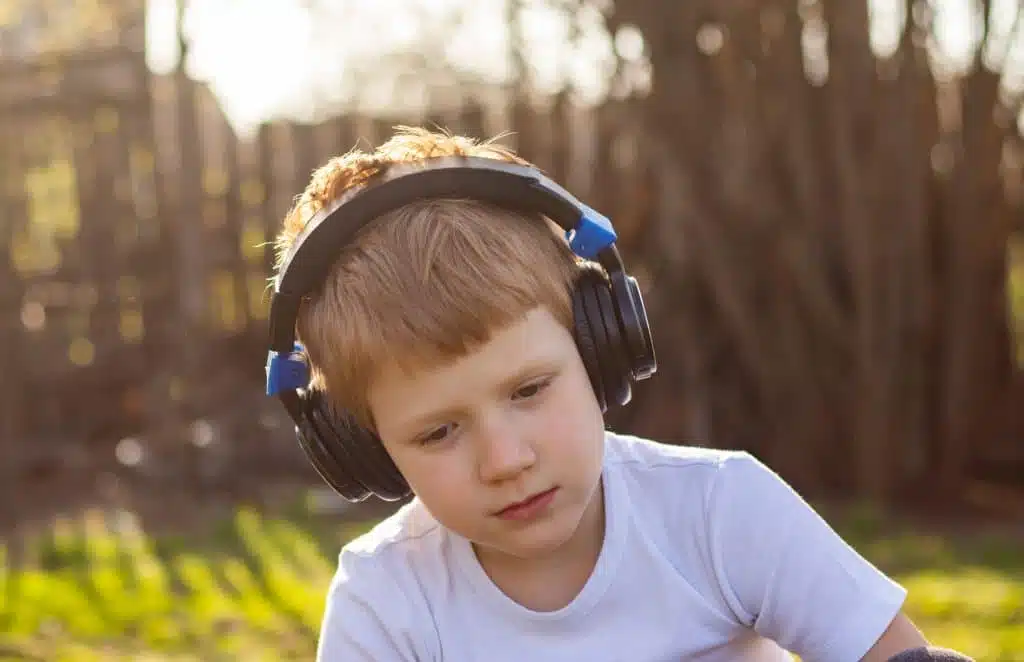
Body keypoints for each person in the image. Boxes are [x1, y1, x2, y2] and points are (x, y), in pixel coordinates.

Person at [265, 127, 942, 661]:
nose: (504, 459)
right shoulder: (387, 601)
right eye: (439, 432)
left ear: (599, 349)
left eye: (528, 389)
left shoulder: (721, 511)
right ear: (366, 449)